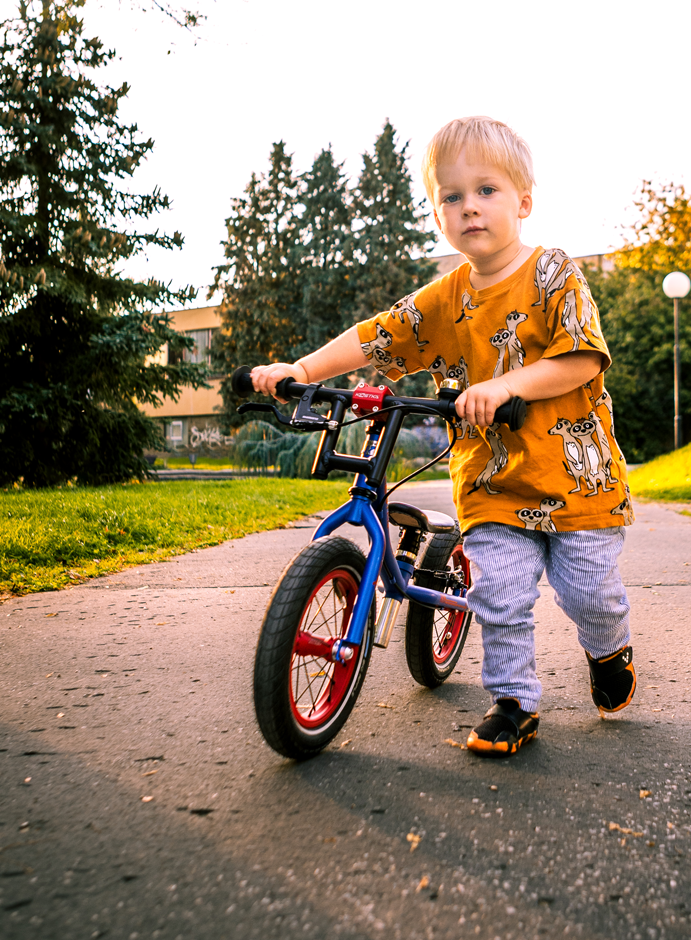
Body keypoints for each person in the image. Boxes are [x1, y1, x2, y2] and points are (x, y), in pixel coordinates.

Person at [251, 115, 636, 756]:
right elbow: (376, 335)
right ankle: (513, 703)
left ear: (524, 201)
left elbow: (582, 358)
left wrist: (507, 386)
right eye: (450, 198)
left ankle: (608, 646)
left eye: (486, 191)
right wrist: (302, 369)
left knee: (588, 594)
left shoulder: (555, 273)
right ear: (437, 214)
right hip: (491, 483)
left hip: (575, 476)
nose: (469, 209)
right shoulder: (445, 296)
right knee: (499, 596)